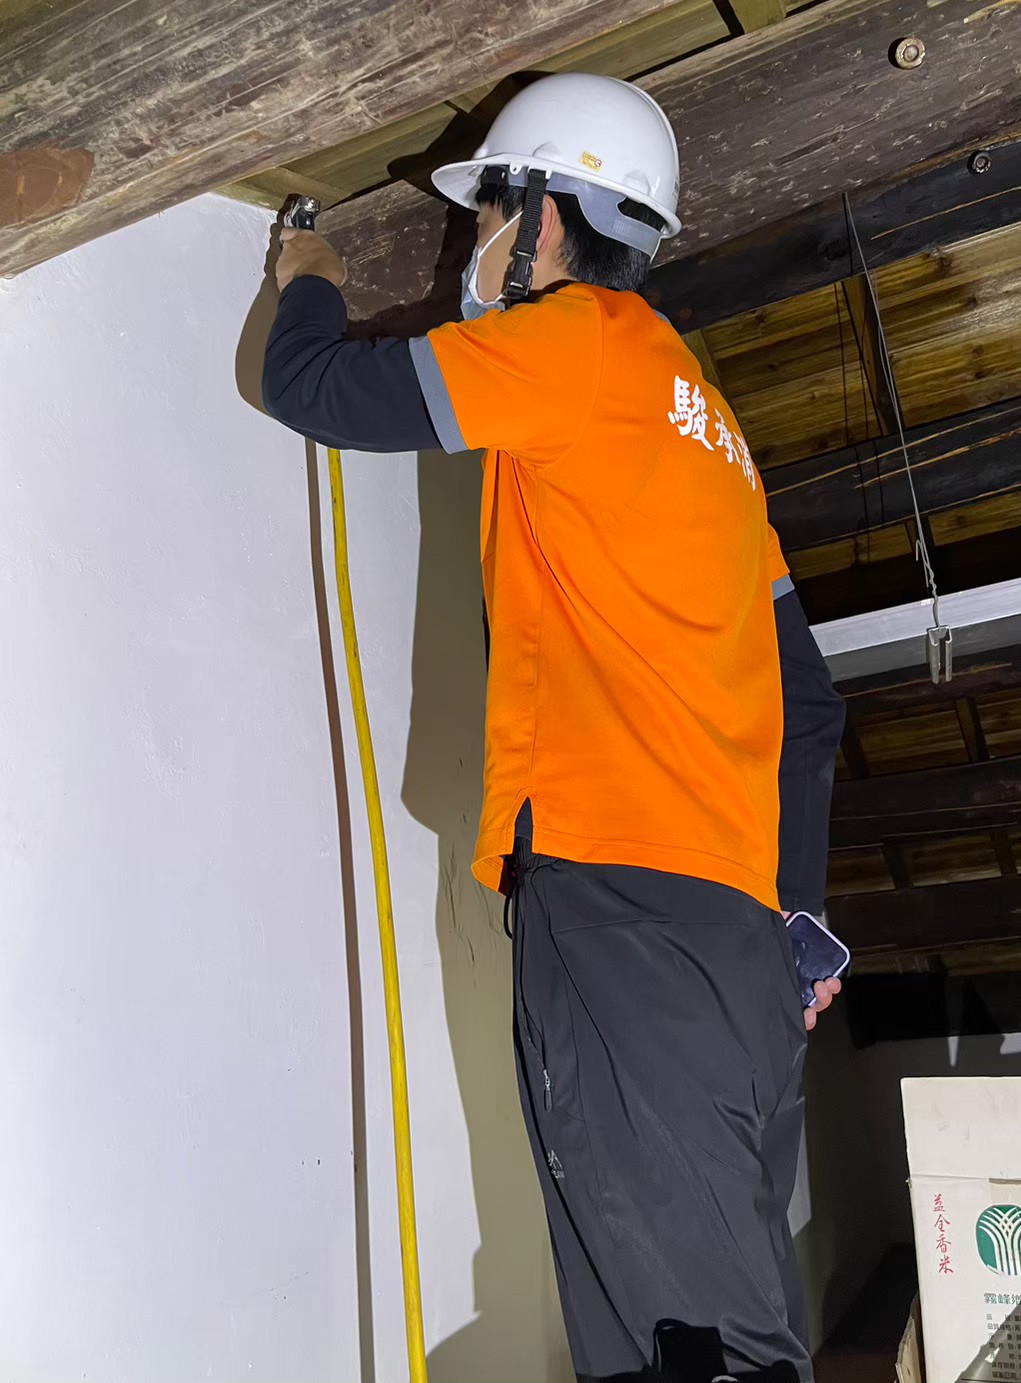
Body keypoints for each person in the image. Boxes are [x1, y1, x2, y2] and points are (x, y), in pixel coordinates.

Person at [262, 72, 846, 1383]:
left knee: (694, 1350)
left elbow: (314, 388)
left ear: (540, 219)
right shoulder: (714, 433)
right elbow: (806, 708)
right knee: (706, 1323)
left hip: (622, 901)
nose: (471, 246)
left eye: (483, 217)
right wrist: (795, 920)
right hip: (736, 940)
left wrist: (309, 270)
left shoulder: (577, 342)